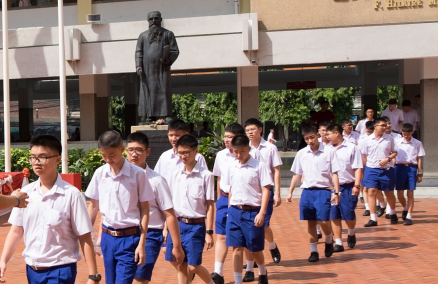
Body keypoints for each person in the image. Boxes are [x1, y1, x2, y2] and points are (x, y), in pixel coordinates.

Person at [0, 135, 100, 284]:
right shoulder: (25, 193)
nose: (36, 162)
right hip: (32, 270)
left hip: (60, 270)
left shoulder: (71, 194)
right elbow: (16, 231)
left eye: (42, 157)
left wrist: (93, 276)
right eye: (33, 157)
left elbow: (84, 236)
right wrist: (3, 260)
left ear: (58, 160)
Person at [86, 131, 154, 284]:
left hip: (130, 239)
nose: (108, 160)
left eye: (112, 155)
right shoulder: (100, 174)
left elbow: (145, 210)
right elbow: (93, 206)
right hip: (107, 239)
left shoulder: (137, 174)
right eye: (104, 156)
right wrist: (87, 233)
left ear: (122, 149)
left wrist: (142, 244)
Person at [125, 132, 185, 284]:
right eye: (130, 150)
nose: (134, 154)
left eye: (139, 150)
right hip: (124, 234)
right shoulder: (119, 179)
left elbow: (169, 214)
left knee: (140, 278)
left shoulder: (157, 181)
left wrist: (176, 246)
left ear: (147, 152)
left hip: (151, 234)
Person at [165, 134, 215, 284]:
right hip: (177, 224)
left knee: (193, 267)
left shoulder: (206, 176)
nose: (184, 156)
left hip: (196, 226)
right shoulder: (174, 175)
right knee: (179, 263)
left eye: (187, 152)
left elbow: (210, 205)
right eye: (180, 152)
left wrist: (209, 232)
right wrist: (165, 227)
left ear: (196, 151)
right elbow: (170, 204)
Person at [287, 126, 340, 262]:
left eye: (312, 137)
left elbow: (334, 173)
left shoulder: (329, 152)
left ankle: (329, 239)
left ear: (317, 135)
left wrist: (337, 191)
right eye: (306, 139)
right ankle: (313, 251)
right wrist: (290, 192)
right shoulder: (302, 153)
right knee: (311, 222)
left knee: (323, 220)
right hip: (307, 191)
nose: (310, 141)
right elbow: (297, 174)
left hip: (323, 190)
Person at [226, 135, 272, 284]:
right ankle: (238, 281)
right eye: (235, 151)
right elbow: (231, 188)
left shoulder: (259, 166)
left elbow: (266, 190)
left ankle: (263, 271)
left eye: (242, 151)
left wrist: (262, 212)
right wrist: (229, 208)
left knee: (254, 248)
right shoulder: (232, 166)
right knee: (236, 248)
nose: (239, 155)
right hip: (234, 211)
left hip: (253, 212)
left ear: (249, 149)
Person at [244, 118, 282, 281]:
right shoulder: (245, 149)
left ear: (260, 129)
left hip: (267, 191)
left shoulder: (271, 148)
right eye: (247, 130)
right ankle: (251, 267)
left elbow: (277, 170)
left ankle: (272, 246)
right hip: (250, 193)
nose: (250, 132)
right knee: (251, 228)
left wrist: (278, 192)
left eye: (253, 129)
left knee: (263, 224)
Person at [210, 123, 245, 284]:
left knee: (240, 239)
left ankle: (250, 268)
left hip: (241, 201)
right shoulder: (221, 155)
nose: (226, 140)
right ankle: (218, 272)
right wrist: (219, 199)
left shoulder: (248, 156)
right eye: (225, 136)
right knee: (221, 235)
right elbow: (218, 178)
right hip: (224, 199)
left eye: (230, 137)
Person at [135, 11, 179, 121]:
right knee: (149, 91)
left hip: (162, 69)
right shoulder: (142, 36)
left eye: (156, 18)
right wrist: (138, 66)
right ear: (148, 21)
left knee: (164, 90)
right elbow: (139, 52)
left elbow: (175, 51)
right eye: (151, 19)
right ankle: (150, 116)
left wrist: (168, 60)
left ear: (161, 20)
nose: (154, 21)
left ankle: (167, 114)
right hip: (147, 70)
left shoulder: (168, 34)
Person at [326, 124, 363, 252]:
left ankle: (351, 232)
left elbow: (358, 167)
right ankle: (338, 242)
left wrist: (356, 185)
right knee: (334, 215)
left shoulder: (352, 148)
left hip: (348, 186)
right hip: (331, 188)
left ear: (336, 133)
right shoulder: (326, 149)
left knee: (348, 214)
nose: (327, 137)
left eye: (328, 134)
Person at [360, 118, 398, 227]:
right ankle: (373, 218)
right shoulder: (366, 140)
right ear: (375, 126)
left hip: (386, 170)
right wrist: (362, 170)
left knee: (389, 193)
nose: (385, 127)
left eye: (385, 125)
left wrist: (388, 159)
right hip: (371, 169)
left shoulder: (389, 139)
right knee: (371, 191)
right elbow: (364, 156)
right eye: (382, 125)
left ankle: (392, 212)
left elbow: (395, 152)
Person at [155, 119, 208, 184]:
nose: (173, 139)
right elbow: (157, 178)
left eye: (177, 135)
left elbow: (205, 180)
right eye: (171, 135)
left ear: (186, 135)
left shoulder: (198, 157)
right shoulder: (164, 157)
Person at [395, 123, 425, 225]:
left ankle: (409, 216)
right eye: (404, 134)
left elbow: (419, 158)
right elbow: (393, 155)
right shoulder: (397, 142)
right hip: (399, 168)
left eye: (408, 134)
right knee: (399, 194)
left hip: (412, 168)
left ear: (412, 132)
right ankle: (405, 208)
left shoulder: (417, 143)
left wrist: (420, 173)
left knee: (410, 193)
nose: (406, 136)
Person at [359, 121, 375, 212]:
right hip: (364, 165)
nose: (370, 134)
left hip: (373, 166)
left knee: (373, 188)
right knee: (364, 187)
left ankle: (377, 205)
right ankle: (367, 207)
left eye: (371, 132)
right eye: (368, 132)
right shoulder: (362, 140)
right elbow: (361, 154)